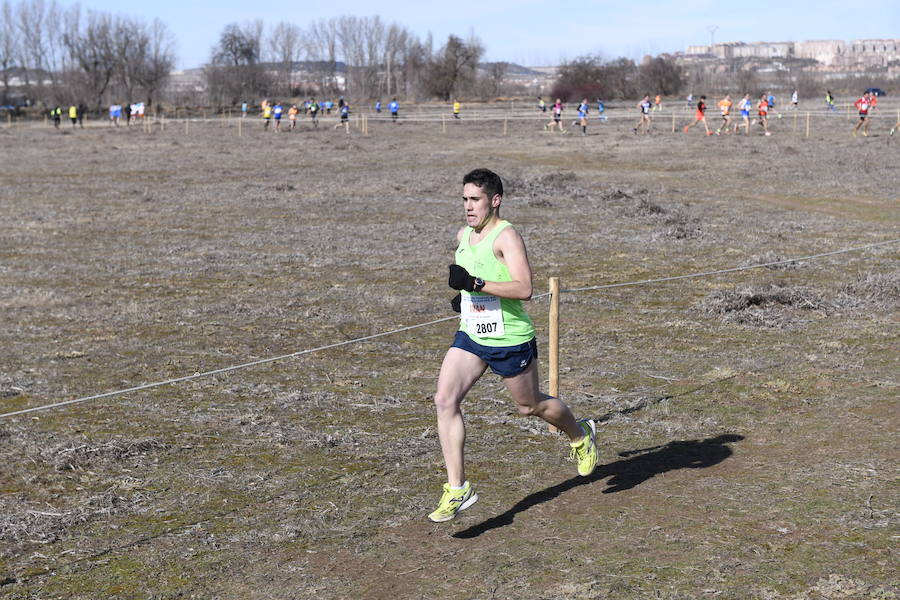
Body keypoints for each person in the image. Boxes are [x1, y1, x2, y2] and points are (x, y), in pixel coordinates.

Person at [428, 168, 598, 523]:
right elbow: (472, 286)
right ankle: (458, 489)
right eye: (465, 200)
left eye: (475, 200)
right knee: (445, 400)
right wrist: (464, 299)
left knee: (529, 406)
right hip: (472, 334)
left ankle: (580, 436)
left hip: (510, 339)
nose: (468, 207)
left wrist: (475, 283)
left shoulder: (507, 237)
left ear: (495, 200)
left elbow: (524, 289)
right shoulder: (463, 235)